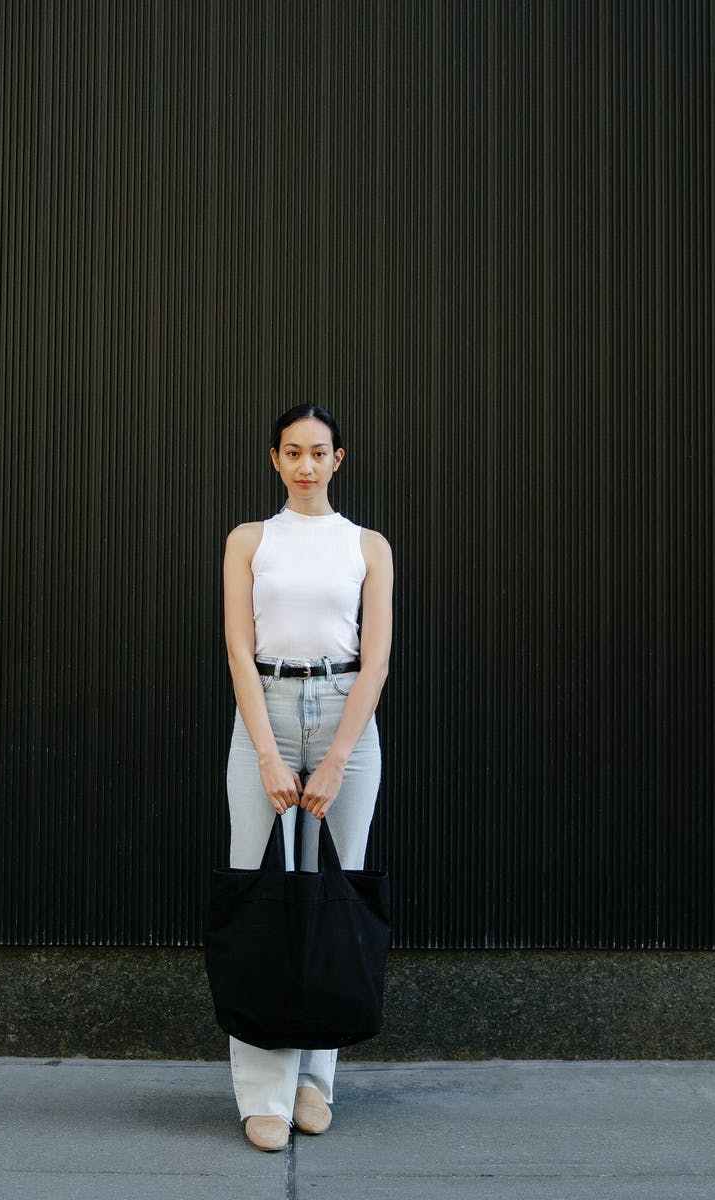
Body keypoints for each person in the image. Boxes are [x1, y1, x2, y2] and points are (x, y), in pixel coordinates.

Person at [219, 404, 393, 1152]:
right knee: (259, 896)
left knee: (332, 898)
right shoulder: (249, 541)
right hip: (265, 710)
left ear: (339, 459)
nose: (305, 465)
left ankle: (317, 1082)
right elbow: (236, 645)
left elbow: (377, 657)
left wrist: (333, 757)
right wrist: (265, 751)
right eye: (292, 452)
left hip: (344, 718)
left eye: (318, 452)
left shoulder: (368, 545)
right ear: (275, 459)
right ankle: (263, 1093)